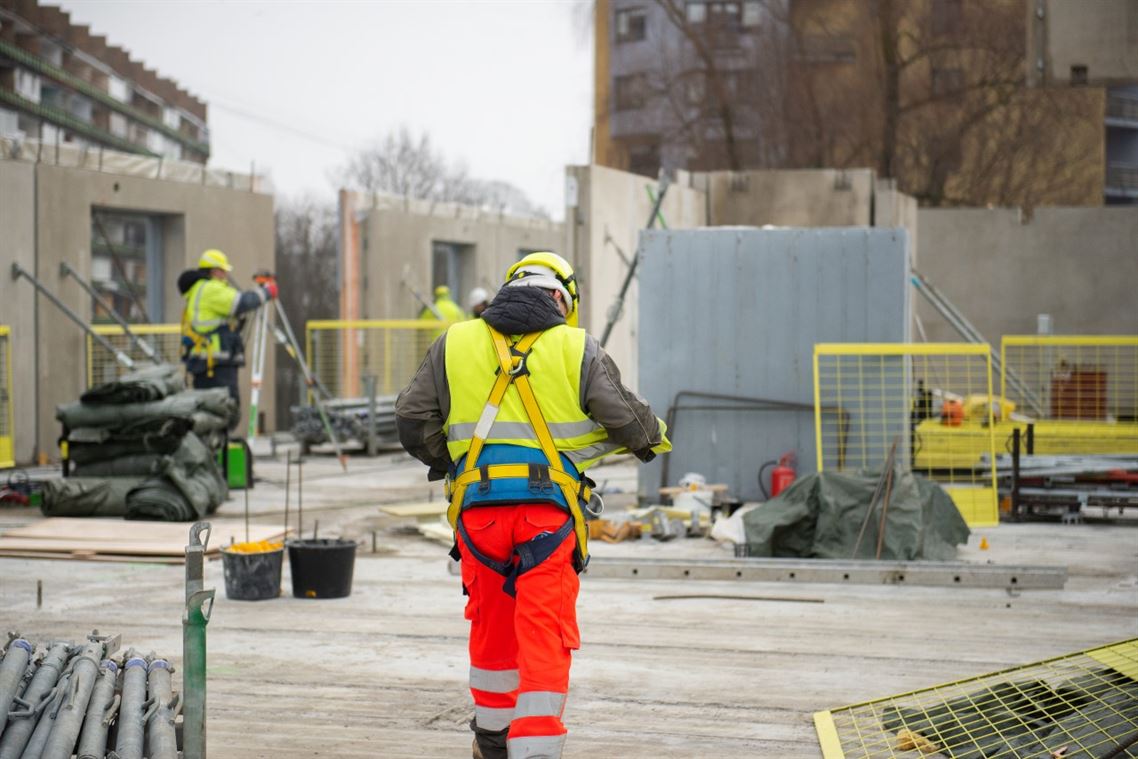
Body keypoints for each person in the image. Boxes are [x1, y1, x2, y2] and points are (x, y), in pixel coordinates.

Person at [395, 251, 670, 759]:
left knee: (492, 627)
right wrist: (651, 437)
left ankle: (491, 741)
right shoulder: (575, 346)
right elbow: (633, 424)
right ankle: (536, 748)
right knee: (544, 631)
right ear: (564, 299)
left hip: (479, 514)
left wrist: (456, 464)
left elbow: (411, 419)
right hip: (547, 517)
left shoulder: (454, 341)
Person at [178, 249, 276, 430]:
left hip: (208, 364)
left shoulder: (200, 289)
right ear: (214, 271)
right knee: (225, 408)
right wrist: (267, 292)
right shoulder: (211, 289)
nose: (225, 275)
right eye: (223, 271)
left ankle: (217, 442)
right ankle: (219, 443)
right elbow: (241, 303)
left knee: (214, 410)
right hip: (215, 364)